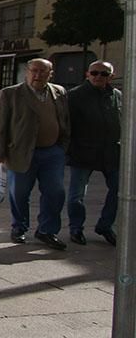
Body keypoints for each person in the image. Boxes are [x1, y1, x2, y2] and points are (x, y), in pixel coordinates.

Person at [0, 58, 70, 249]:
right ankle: (19, 227)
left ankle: (47, 230)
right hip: (21, 152)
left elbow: (64, 118)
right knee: (19, 193)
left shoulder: (59, 92)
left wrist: (63, 145)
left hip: (52, 152)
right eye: (34, 70)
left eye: (43, 71)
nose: (37, 75)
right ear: (27, 72)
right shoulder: (10, 94)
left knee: (55, 192)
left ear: (50, 73)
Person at [66, 60, 121, 246]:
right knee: (77, 194)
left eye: (104, 74)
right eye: (95, 72)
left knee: (120, 191)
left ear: (111, 77)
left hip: (111, 152)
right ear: (87, 74)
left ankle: (105, 225)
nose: (99, 76)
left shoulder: (117, 96)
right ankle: (76, 228)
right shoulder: (75, 96)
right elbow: (67, 125)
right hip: (83, 152)